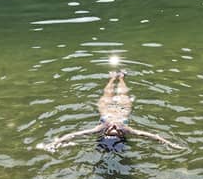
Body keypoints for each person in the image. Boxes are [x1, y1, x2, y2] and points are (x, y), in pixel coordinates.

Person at [44, 60, 184, 154]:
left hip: (105, 111)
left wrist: (55, 142)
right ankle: (121, 77)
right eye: (116, 130)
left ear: (106, 132)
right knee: (123, 93)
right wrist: (170, 144)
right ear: (121, 133)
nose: (114, 127)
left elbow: (75, 135)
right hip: (123, 110)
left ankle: (112, 78)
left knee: (107, 93)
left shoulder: (101, 128)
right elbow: (150, 136)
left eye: (111, 130)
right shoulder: (126, 129)